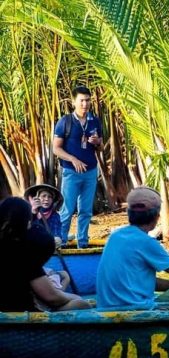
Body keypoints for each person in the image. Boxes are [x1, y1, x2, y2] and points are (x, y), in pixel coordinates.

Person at [96, 186, 169, 310]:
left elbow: (144, 281)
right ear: (156, 216)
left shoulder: (115, 236)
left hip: (107, 308)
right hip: (136, 310)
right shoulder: (145, 242)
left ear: (129, 214)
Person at [0, 197, 91, 312]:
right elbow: (52, 297)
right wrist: (76, 298)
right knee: (82, 305)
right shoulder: (22, 252)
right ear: (27, 223)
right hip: (17, 310)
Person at [53, 85, 103, 248]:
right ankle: (60, 243)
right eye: (81, 100)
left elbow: (100, 147)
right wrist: (73, 159)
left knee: (86, 211)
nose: (85, 104)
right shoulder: (65, 121)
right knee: (67, 210)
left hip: (90, 172)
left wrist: (98, 143)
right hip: (71, 172)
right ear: (74, 102)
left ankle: (83, 243)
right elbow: (56, 148)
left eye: (88, 100)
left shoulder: (94, 121)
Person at [24, 183, 63, 248]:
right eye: (43, 196)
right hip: (31, 244)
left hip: (47, 243)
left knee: (57, 240)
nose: (46, 199)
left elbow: (56, 233)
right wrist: (34, 212)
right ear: (37, 198)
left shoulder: (55, 216)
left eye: (49, 197)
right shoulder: (28, 213)